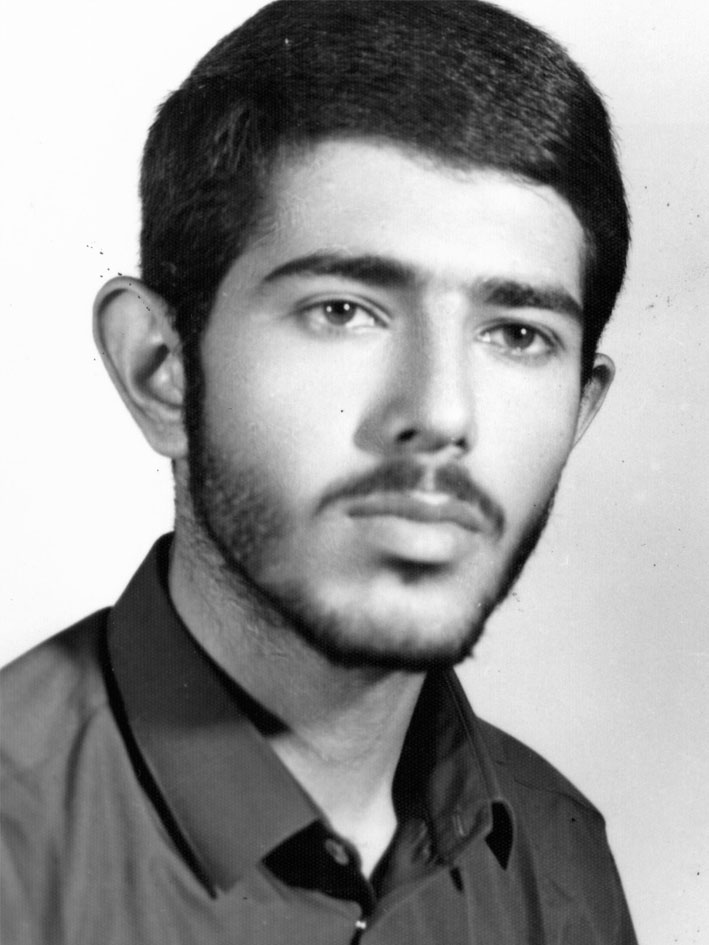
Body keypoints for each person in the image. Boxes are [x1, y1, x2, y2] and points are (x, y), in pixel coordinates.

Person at [1, 1, 638, 942]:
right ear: (161, 369)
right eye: (342, 310)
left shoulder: (560, 855)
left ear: (579, 411)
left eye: (515, 334)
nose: (441, 413)